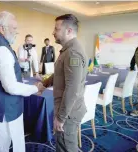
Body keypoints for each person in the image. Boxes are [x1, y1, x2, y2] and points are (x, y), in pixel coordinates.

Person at [0, 11, 45, 152]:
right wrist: (35, 88)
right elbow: (11, 87)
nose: (17, 31)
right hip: (3, 110)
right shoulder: (2, 49)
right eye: (14, 28)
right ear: (2, 29)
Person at [43, 14, 88, 152]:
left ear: (68, 31)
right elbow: (59, 73)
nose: (53, 32)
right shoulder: (68, 50)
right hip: (68, 108)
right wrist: (44, 84)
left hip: (68, 112)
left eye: (56, 29)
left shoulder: (72, 52)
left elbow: (72, 89)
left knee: (66, 147)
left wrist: (61, 118)